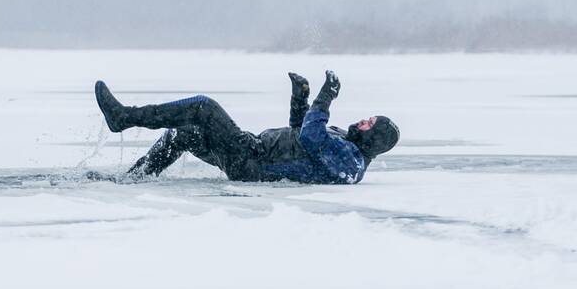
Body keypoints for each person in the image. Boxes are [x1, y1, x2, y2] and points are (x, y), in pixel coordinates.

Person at [94, 71, 398, 184]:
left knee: (203, 107)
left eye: (370, 124)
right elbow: (300, 136)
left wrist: (325, 97)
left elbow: (309, 135)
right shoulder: (343, 144)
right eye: (369, 117)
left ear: (374, 138)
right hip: (252, 152)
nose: (363, 121)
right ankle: (134, 178)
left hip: (252, 162)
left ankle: (124, 117)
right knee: (182, 135)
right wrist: (300, 98)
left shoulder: (350, 162)